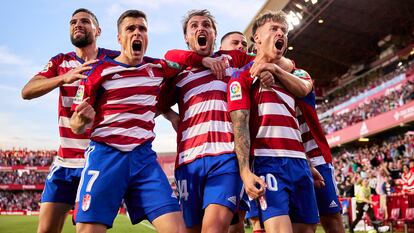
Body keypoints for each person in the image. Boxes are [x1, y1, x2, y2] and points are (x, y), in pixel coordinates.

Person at [69, 10, 193, 233]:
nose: (137, 33)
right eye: (130, 29)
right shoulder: (97, 71)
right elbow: (75, 124)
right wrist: (80, 119)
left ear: (147, 37)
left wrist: (170, 113)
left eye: (142, 29)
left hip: (143, 159)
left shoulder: (157, 68)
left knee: (178, 229)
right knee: (88, 230)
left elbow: (182, 60)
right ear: (119, 38)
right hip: (106, 156)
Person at [21, 8, 118, 233]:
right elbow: (27, 91)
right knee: (45, 230)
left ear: (98, 30)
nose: (77, 24)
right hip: (65, 162)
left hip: (98, 161)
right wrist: (63, 78)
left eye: (85, 21)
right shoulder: (60, 62)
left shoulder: (113, 59)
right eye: (73, 21)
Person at [227, 10, 319, 233]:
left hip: (298, 162)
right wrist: (245, 171)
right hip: (269, 162)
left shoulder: (290, 77)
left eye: (284, 31)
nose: (281, 34)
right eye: (274, 29)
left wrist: (308, 164)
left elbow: (294, 121)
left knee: (307, 229)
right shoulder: (242, 77)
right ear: (256, 38)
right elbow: (239, 125)